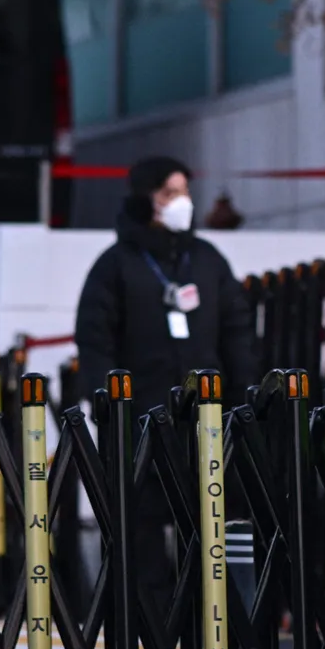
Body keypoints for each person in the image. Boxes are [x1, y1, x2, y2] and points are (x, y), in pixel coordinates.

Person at [75, 156, 260, 623]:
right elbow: (95, 342)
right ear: (144, 199)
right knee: (141, 524)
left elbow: (237, 331)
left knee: (207, 517)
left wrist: (245, 398)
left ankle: (212, 615)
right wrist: (109, 409)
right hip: (140, 419)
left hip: (207, 421)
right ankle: (151, 619)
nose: (181, 203)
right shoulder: (115, 266)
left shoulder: (206, 260)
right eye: (168, 194)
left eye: (182, 192)